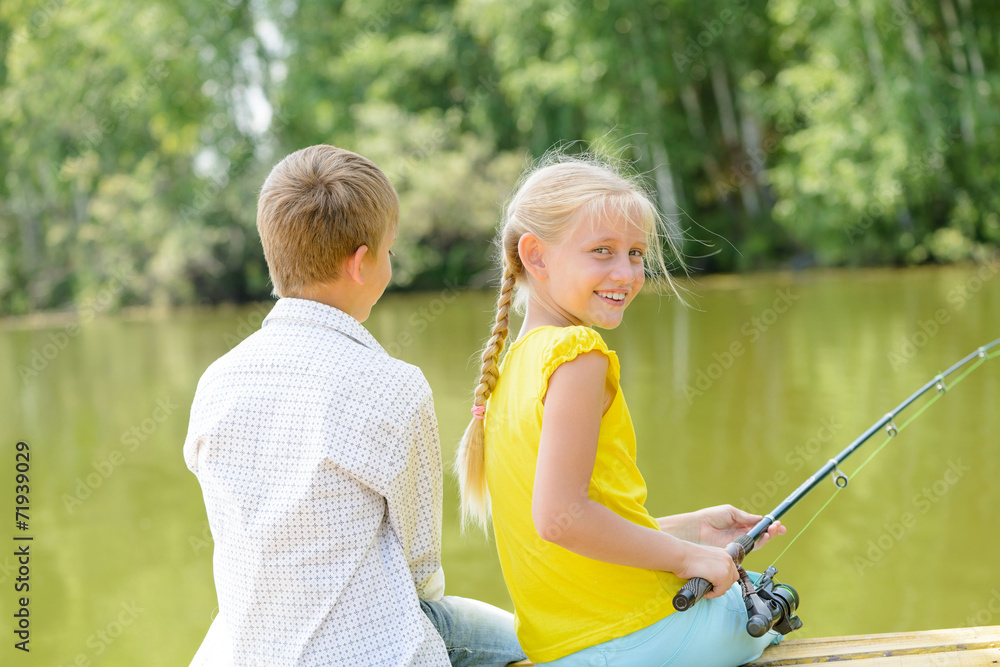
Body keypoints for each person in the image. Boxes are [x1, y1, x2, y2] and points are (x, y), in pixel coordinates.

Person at [183, 144, 525, 666]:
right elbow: (420, 569)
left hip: (254, 646)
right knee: (540, 644)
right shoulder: (394, 386)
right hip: (377, 653)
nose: (390, 263)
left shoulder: (215, 382)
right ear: (362, 264)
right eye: (389, 251)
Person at [454, 153, 787, 667]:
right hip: (634, 641)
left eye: (635, 253)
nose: (626, 272)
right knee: (768, 608)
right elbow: (561, 520)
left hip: (563, 650)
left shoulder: (509, 368)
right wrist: (690, 559)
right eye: (602, 251)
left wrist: (691, 529)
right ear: (536, 257)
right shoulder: (578, 353)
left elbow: (571, 524)